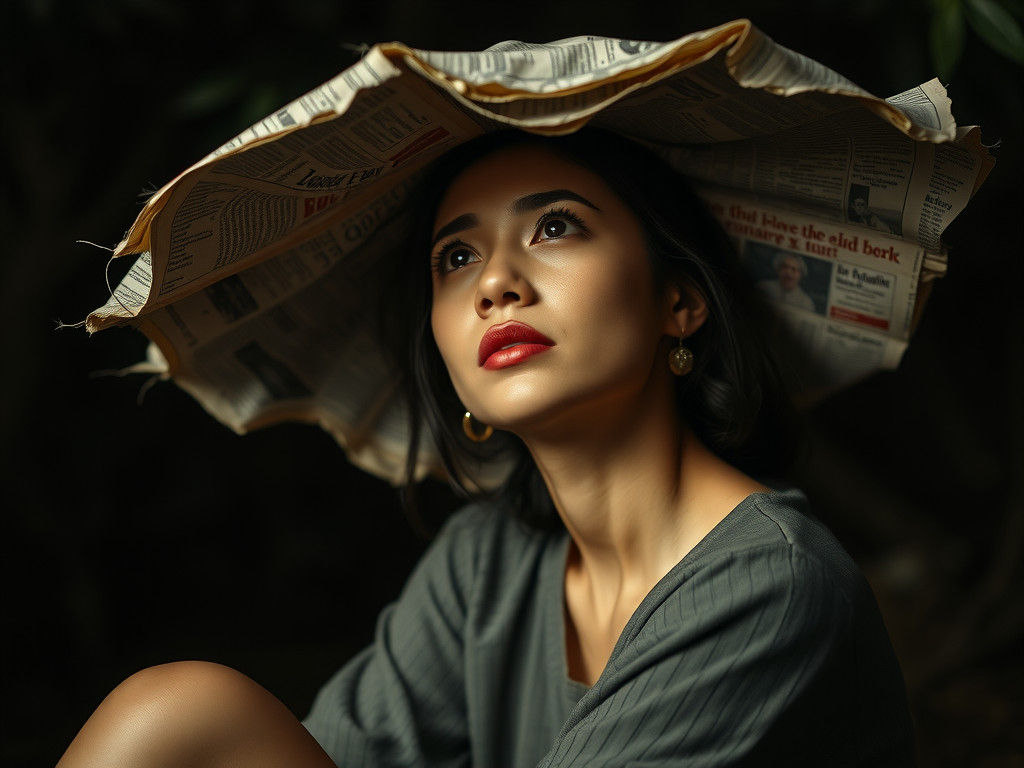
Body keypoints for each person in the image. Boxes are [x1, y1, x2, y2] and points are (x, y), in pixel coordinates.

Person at [57, 129, 916, 767]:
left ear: (679, 303)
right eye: (457, 256)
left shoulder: (770, 582)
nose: (496, 283)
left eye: (555, 228)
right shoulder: (487, 566)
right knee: (179, 712)